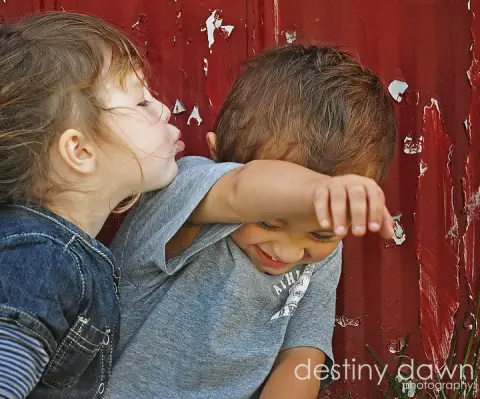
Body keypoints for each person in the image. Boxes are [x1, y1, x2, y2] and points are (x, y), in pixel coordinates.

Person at [0, 12, 184, 398]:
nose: (163, 109)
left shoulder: (46, 246)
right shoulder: (39, 256)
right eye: (142, 101)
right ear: (79, 150)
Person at [105, 45, 397, 398]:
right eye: (270, 223)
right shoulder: (188, 192)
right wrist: (322, 192)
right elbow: (240, 188)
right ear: (218, 158)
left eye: (318, 233)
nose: (287, 249)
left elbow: (302, 356)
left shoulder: (322, 253)